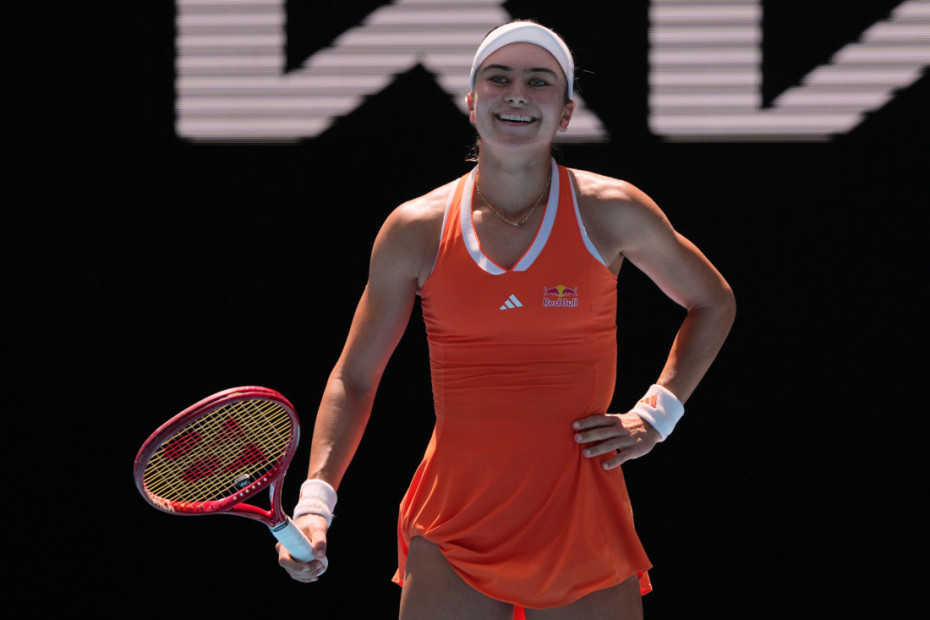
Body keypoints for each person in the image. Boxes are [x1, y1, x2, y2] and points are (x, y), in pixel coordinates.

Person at [277, 20, 735, 620]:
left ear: (565, 114)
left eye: (539, 81)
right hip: (455, 521)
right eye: (499, 78)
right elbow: (354, 378)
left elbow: (713, 300)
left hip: (581, 516)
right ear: (472, 103)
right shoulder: (415, 228)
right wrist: (315, 503)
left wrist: (657, 415)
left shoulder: (613, 211)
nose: (517, 93)